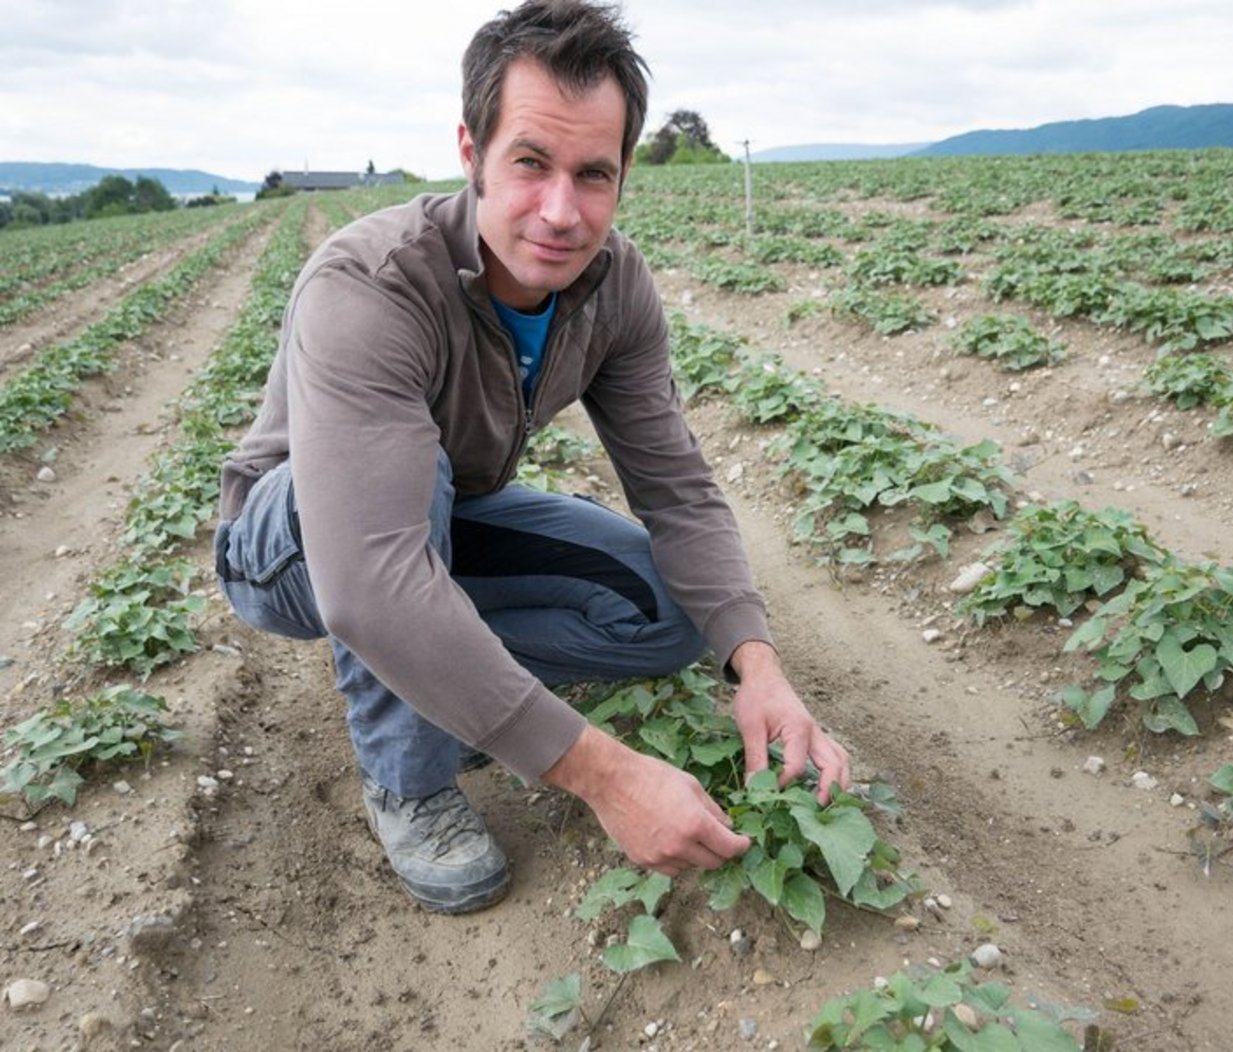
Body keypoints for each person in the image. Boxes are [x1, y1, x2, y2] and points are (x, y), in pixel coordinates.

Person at [213, 0, 849, 914]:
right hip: (291, 546)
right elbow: (370, 583)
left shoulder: (614, 287)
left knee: (670, 612)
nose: (561, 211)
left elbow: (677, 489)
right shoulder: (374, 285)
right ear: (471, 153)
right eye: (530, 163)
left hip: (438, 520)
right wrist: (604, 774)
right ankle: (408, 780)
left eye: (593, 174)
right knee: (407, 524)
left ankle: (449, 678)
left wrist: (760, 666)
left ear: (624, 175)